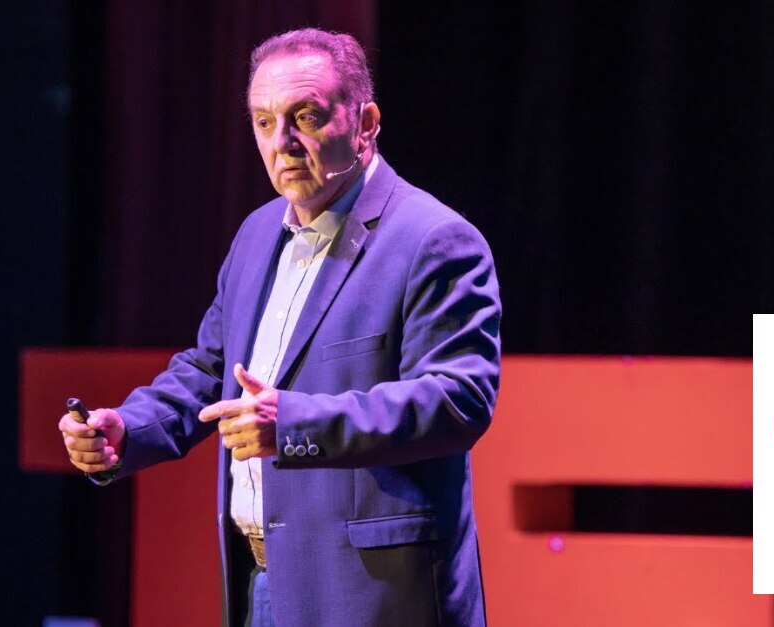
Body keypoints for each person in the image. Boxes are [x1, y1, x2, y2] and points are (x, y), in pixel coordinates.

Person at [58, 27, 501, 627]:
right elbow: (210, 369)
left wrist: (291, 423)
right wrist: (128, 430)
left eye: (306, 117)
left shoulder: (434, 239)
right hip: (259, 584)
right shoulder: (257, 233)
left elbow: (457, 399)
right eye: (264, 122)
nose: (282, 143)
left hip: (374, 598)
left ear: (366, 123)